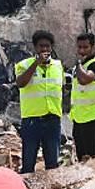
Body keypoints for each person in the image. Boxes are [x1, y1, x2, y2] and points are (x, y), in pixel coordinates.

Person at [14, 30, 63, 173]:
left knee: (52, 163)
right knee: (28, 162)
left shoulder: (57, 66)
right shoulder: (24, 65)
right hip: (32, 120)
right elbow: (21, 83)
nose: (45, 49)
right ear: (35, 47)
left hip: (52, 118)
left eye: (47, 46)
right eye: (41, 46)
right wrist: (36, 63)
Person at [70, 32, 95, 161]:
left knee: (92, 156)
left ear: (93, 47)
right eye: (79, 47)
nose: (82, 51)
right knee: (81, 156)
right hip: (79, 117)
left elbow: (84, 79)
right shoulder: (80, 67)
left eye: (85, 47)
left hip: (93, 116)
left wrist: (78, 63)